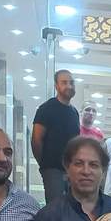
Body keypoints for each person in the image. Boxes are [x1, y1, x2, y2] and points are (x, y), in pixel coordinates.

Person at [31, 70, 79, 203]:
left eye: (71, 83)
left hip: (71, 170)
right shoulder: (46, 109)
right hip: (52, 169)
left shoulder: (74, 112)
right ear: (56, 86)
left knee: (73, 208)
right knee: (55, 207)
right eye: (64, 82)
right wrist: (44, 164)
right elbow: (36, 140)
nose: (69, 86)